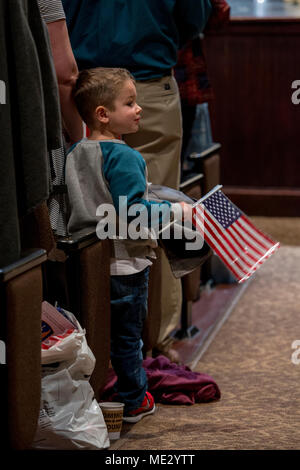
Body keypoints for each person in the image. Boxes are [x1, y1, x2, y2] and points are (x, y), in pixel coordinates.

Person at [62, 0, 212, 363]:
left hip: (82, 88)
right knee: (158, 220)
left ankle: (93, 347)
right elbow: (195, 18)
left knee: (86, 211)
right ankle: (152, 345)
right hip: (145, 81)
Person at [65, 67, 192, 421]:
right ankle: (134, 399)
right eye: (130, 103)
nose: (139, 110)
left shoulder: (75, 152)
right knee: (127, 339)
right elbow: (134, 213)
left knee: (91, 331)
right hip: (126, 263)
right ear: (103, 114)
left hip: (87, 261)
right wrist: (176, 210)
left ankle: (86, 396)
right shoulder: (126, 157)